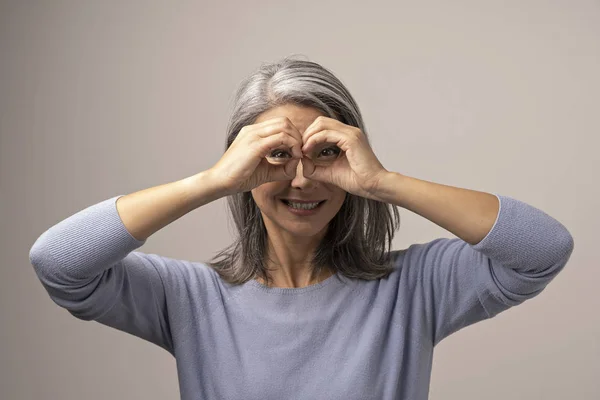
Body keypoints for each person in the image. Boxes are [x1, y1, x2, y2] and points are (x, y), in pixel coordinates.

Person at [29, 56, 575, 400]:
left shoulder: (413, 288)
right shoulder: (190, 298)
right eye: (274, 157)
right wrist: (212, 182)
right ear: (241, 165)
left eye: (325, 155)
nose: (301, 180)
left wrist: (381, 181)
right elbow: (58, 262)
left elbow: (544, 248)